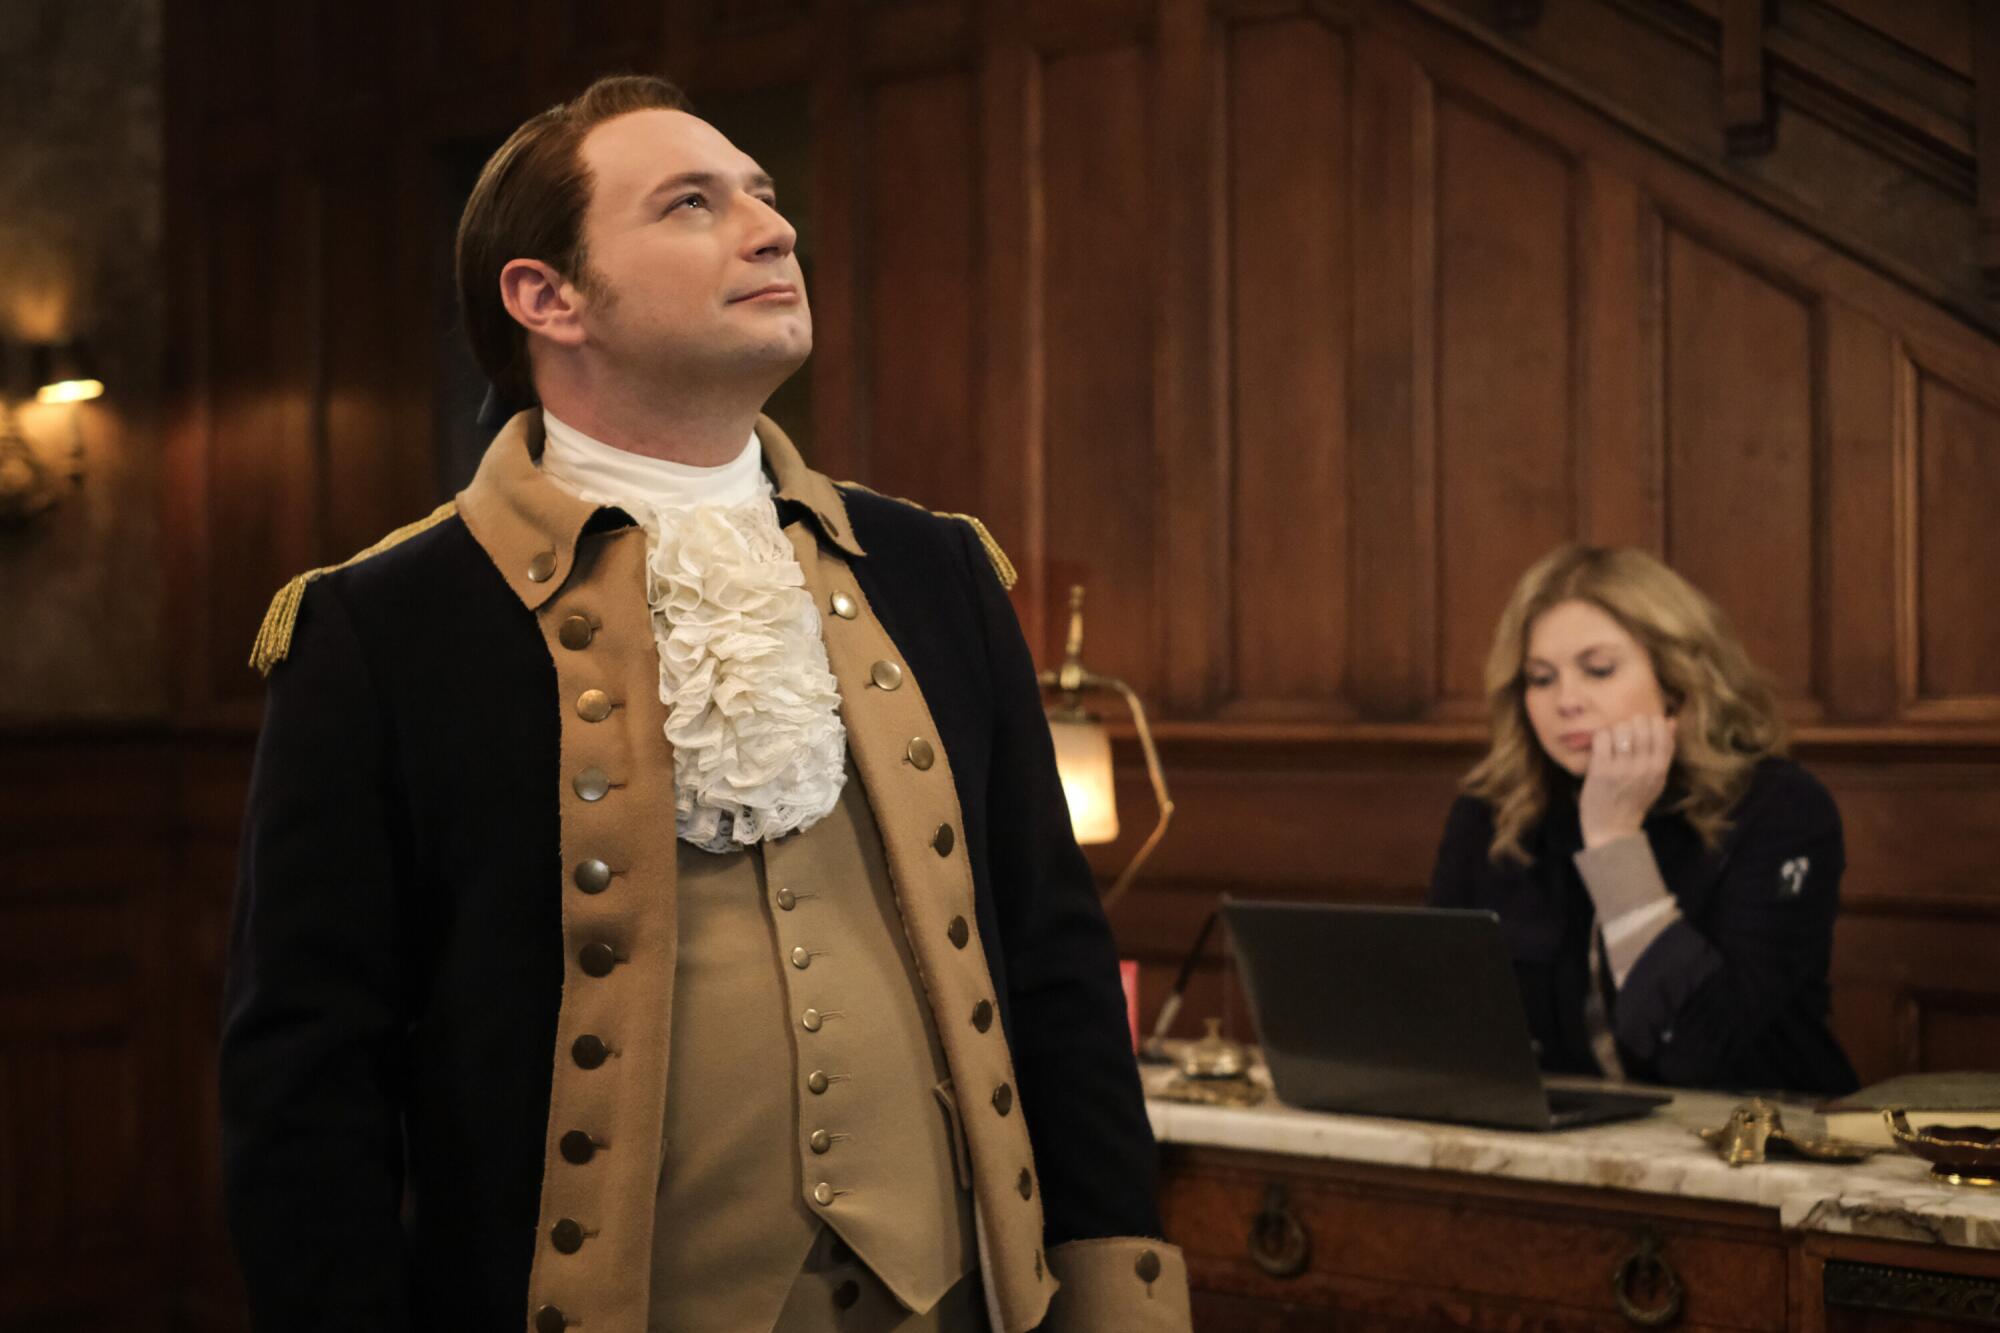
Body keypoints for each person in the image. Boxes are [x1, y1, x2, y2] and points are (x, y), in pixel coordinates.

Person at [219, 75, 1190, 1333]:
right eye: (690, 204)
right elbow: (306, 1075)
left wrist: (1117, 1291)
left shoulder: (934, 568)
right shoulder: (381, 626)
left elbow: (1054, 968)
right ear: (545, 296)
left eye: (764, 196)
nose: (769, 228)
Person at [1427, 545, 1858, 1096]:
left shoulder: (1780, 808)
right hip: (1563, 1148)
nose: (1566, 701)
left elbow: (1698, 1047)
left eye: (1598, 670)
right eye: (1540, 678)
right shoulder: (1492, 812)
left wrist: (1614, 841)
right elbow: (1440, 1024)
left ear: (1676, 685)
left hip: (1763, 1147)